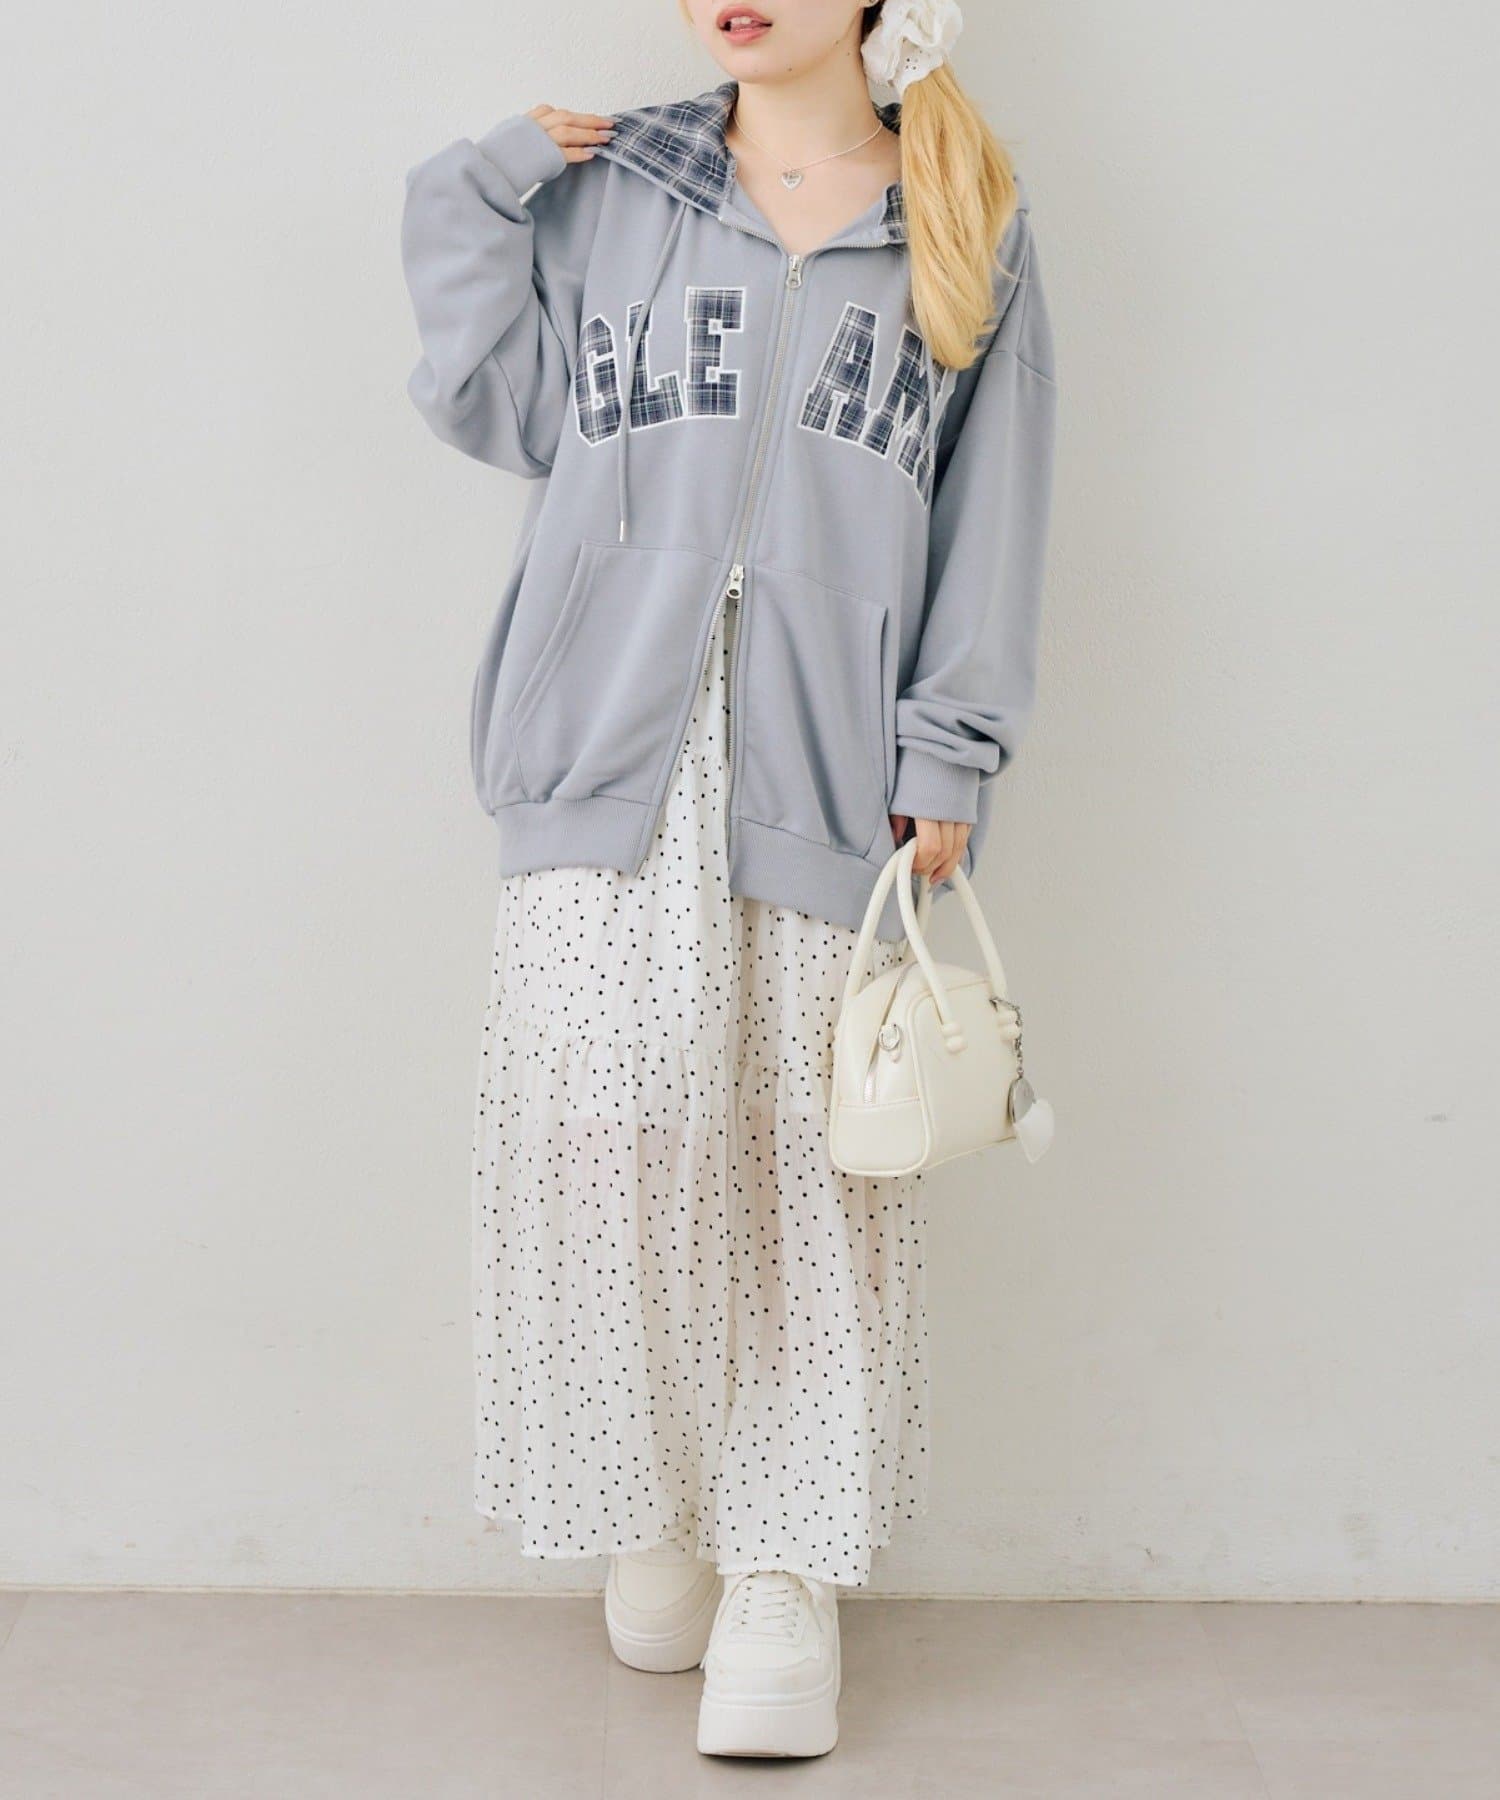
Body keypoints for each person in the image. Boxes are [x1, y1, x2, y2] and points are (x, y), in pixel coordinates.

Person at [400, 0, 1055, 1759]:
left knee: (805, 1179)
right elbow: (498, 405)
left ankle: (782, 1566)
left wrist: (949, 750)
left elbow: (994, 512)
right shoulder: (621, 191)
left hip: (830, 770)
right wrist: (475, 193)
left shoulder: (962, 218)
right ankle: (654, 1504)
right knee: (605, 1147)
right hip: (603, 748)